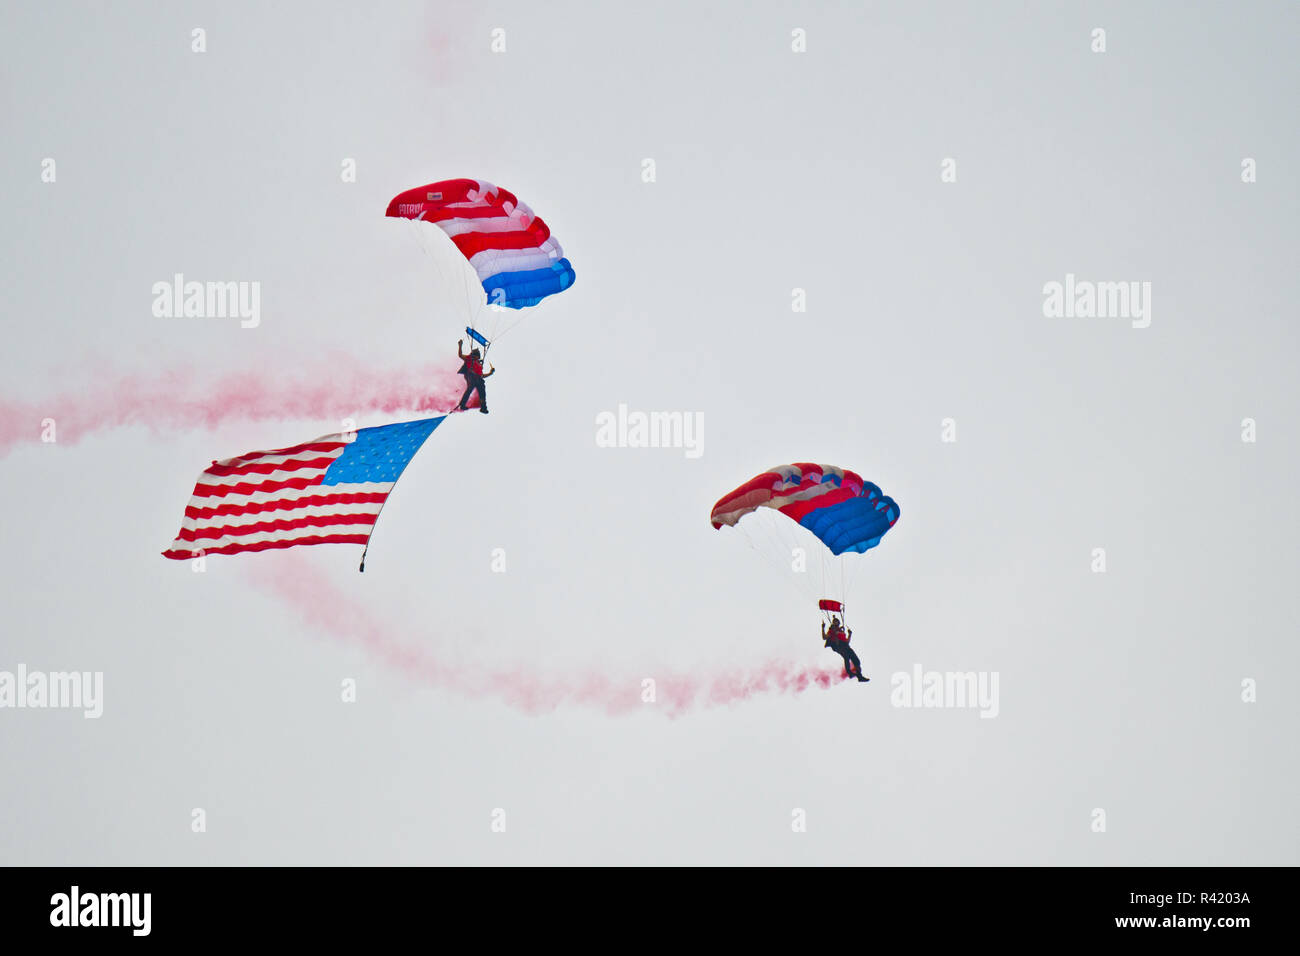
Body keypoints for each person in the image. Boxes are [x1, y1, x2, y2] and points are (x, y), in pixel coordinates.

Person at [822, 615, 868, 682]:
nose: (835, 622)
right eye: (834, 621)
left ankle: (860, 676)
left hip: (846, 646)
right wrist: (823, 627)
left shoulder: (841, 632)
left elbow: (847, 641)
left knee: (856, 661)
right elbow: (824, 637)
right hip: (838, 646)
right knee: (846, 657)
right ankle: (850, 673)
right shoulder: (831, 630)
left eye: (837, 621)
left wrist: (849, 634)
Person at [456, 339, 495, 413]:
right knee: (470, 389)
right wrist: (460, 345)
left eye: (477, 356)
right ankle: (462, 404)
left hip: (478, 379)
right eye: (476, 355)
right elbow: (460, 355)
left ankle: (483, 408)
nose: (476, 357)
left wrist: (490, 373)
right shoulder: (469, 358)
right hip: (471, 376)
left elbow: (482, 375)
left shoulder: (479, 365)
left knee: (482, 392)